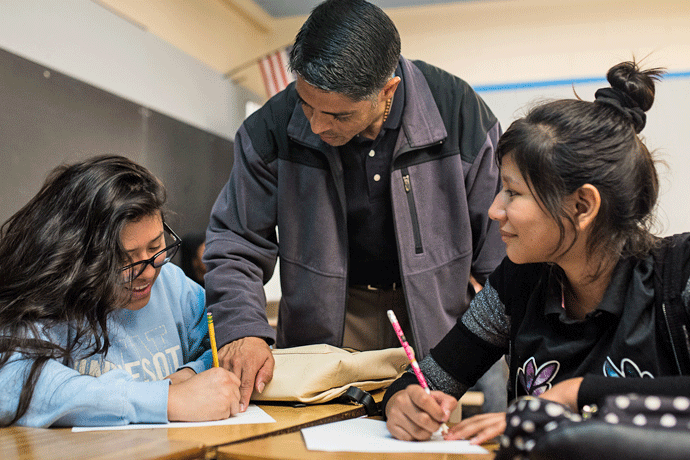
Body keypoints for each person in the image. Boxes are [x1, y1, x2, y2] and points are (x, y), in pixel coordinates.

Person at [204, 0, 505, 411]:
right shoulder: (270, 127)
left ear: (387, 91)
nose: (316, 126)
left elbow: (503, 251)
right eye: (307, 105)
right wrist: (243, 329)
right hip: (326, 326)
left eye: (339, 115)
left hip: (434, 322)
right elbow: (236, 242)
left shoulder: (458, 113)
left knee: (420, 434)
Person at [382, 60, 690, 443]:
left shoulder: (681, 275)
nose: (495, 209)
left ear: (582, 207)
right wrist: (402, 401)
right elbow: (428, 378)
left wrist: (574, 395)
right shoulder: (518, 281)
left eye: (513, 192)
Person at [0, 155, 241, 427]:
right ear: (77, 256)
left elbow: (226, 342)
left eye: (155, 247)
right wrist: (165, 400)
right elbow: (11, 383)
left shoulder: (173, 285)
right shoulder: (51, 300)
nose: (148, 272)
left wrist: (189, 373)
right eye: (125, 260)